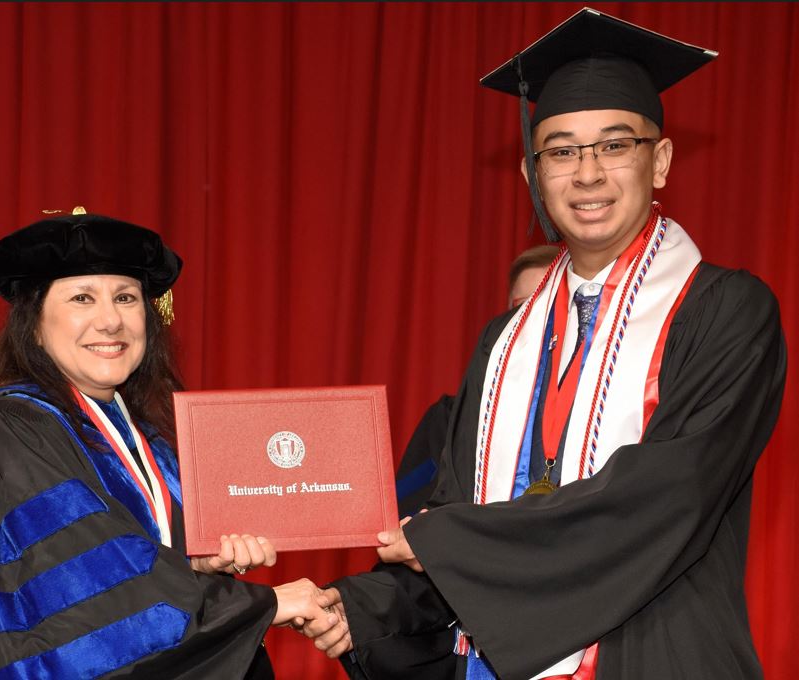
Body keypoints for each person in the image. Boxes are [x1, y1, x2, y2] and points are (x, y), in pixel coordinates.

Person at [303, 8, 787, 680]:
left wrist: (446, 541)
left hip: (655, 654)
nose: (585, 174)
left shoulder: (726, 311)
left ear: (661, 161)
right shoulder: (505, 340)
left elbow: (665, 496)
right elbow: (455, 511)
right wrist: (359, 607)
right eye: (559, 151)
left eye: (614, 146)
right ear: (532, 177)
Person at [0, 209, 343, 679]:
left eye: (126, 298)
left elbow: (133, 567)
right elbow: (85, 584)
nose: (110, 321)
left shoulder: (148, 441)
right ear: (35, 327)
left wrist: (198, 560)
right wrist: (264, 603)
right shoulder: (6, 427)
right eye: (82, 298)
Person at [396, 245, 559, 517]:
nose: (534, 321)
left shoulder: (602, 414)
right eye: (522, 308)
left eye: (549, 308)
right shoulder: (449, 420)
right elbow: (406, 512)